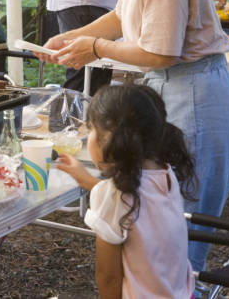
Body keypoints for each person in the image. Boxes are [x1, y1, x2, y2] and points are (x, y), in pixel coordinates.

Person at [38, 0, 229, 271]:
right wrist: (72, 38)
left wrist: (95, 48)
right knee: (159, 236)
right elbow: (120, 17)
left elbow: (161, 51)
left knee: (176, 251)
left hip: (198, 103)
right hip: (177, 95)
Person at [58, 84, 196, 298]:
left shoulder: (115, 195)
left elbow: (108, 275)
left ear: (112, 140)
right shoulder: (164, 172)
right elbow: (134, 211)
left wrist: (100, 189)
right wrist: (89, 182)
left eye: (92, 129)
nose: (89, 136)